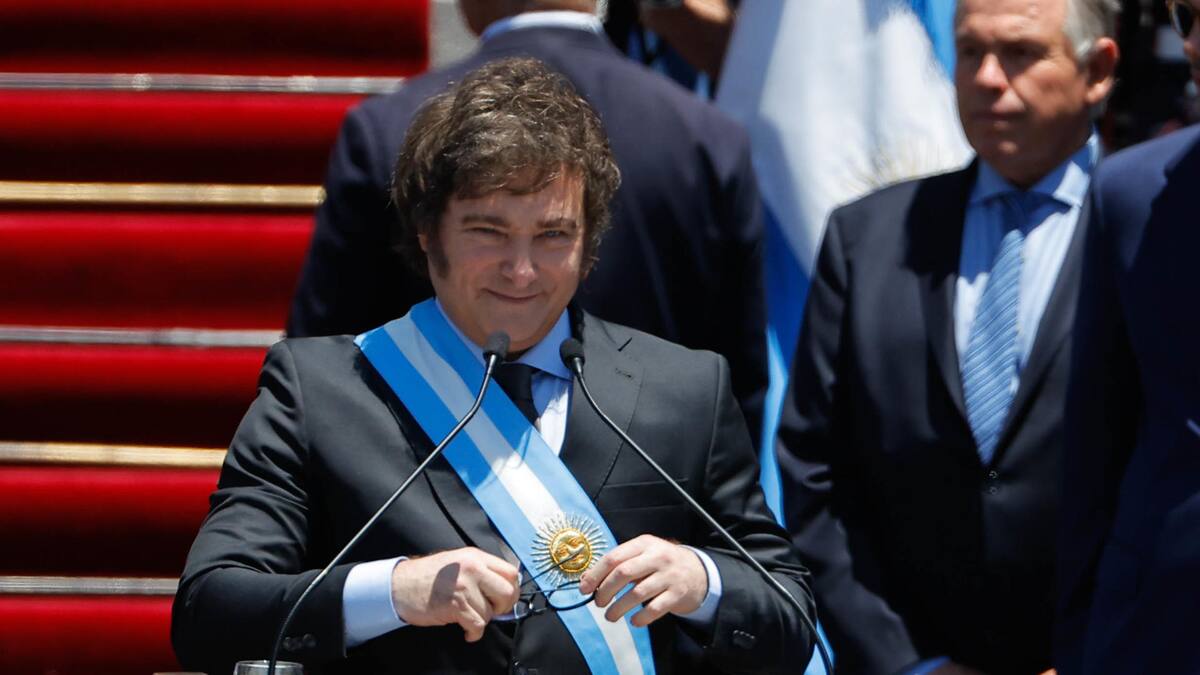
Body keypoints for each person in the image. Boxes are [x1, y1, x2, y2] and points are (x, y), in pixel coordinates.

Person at [173, 57, 814, 675]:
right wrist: (393, 591)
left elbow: (790, 616)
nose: (522, 271)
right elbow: (209, 610)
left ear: (589, 240)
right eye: (489, 232)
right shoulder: (318, 391)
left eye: (553, 235)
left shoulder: (687, 389)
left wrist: (701, 582)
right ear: (428, 231)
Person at [775, 0, 1119, 672]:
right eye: (969, 52)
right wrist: (910, 662)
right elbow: (815, 472)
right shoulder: (867, 237)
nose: (987, 77)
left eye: (1020, 53)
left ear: (1098, 70)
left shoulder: (1159, 229)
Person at [287, 0, 768, 438]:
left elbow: (327, 365)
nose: (522, 272)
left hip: (414, 480)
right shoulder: (708, 139)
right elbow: (737, 387)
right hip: (653, 495)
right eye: (487, 232)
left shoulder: (386, 127)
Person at [1056, 4, 1200, 671]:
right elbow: (1095, 448)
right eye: (1186, 14)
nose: (1195, 40)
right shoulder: (1130, 193)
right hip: (1155, 633)